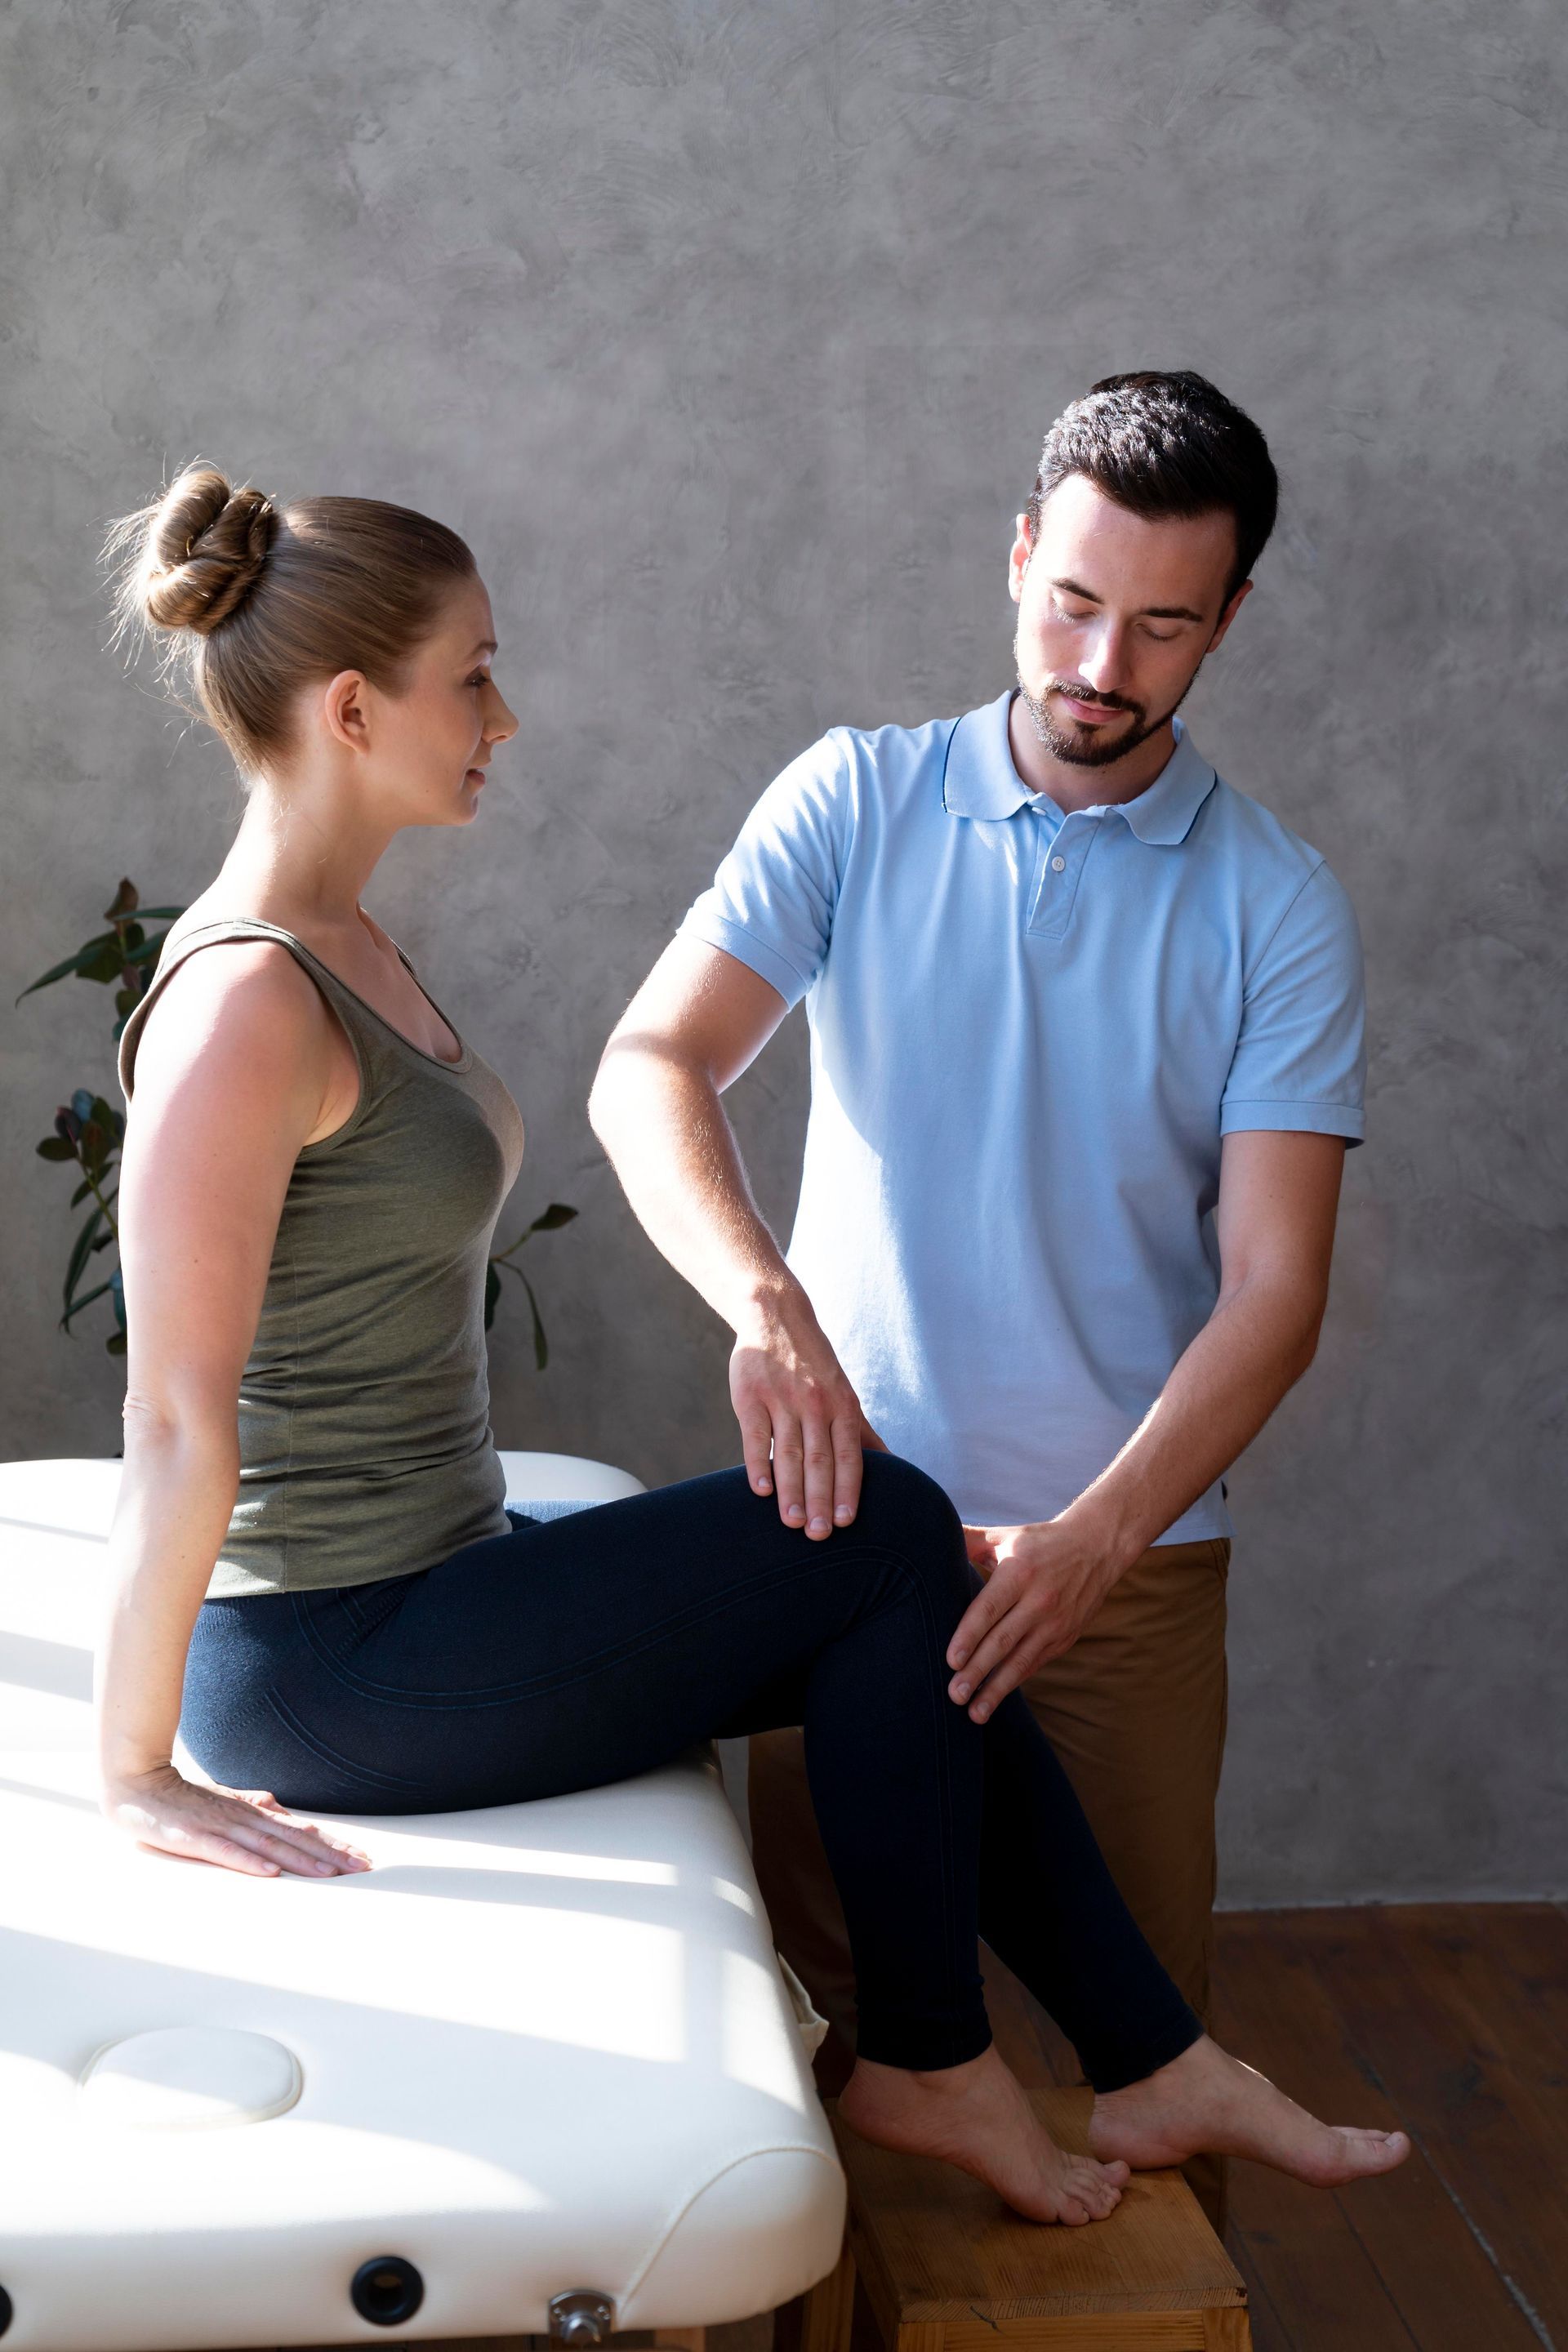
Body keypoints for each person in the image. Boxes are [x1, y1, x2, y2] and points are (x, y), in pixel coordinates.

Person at [98, 460, 1406, 2235]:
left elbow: (1278, 1289)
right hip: (324, 1656)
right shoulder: (249, 994)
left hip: (424, 1582)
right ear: (352, 708)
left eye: (1164, 622)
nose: (506, 711)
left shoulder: (345, 948)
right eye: (472, 676)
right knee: (873, 1530)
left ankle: (1129, 2058)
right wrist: (135, 1765)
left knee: (882, 1558)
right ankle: (946, 2064)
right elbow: (176, 1420)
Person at [589, 371, 1365, 2227]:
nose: (1104, 659)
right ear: (1020, 554)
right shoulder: (854, 796)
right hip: (856, 1551)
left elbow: (1276, 1286)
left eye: (1164, 626)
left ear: (1229, 620)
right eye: (1074, 602)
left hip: (1126, 1572)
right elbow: (649, 1067)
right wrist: (769, 1308)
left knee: (1145, 2065)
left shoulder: (1279, 902)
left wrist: (1101, 1539)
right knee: (833, 2077)